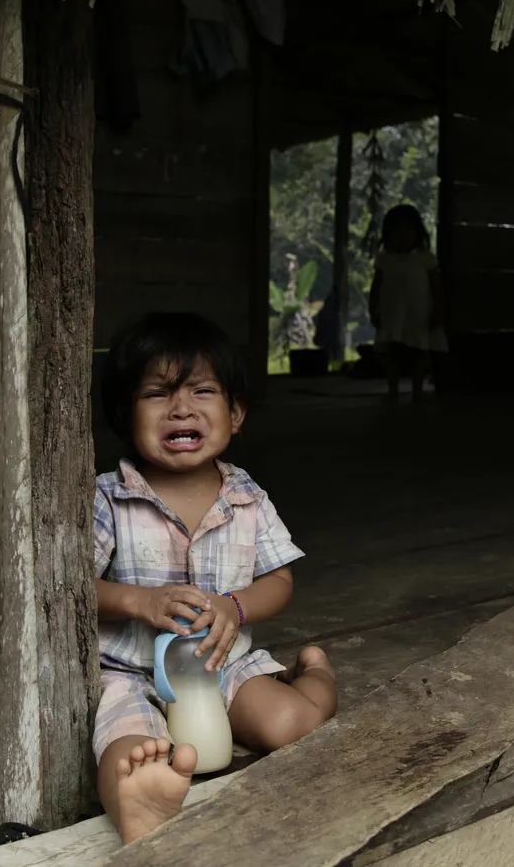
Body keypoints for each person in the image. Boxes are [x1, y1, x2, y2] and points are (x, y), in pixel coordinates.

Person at [93, 312, 338, 844]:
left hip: (220, 665)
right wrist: (138, 601)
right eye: (158, 394)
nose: (182, 407)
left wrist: (236, 607)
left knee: (291, 725)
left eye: (203, 390)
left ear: (236, 413)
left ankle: (316, 674)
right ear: (124, 414)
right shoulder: (108, 498)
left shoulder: (246, 496)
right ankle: (138, 806)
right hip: (129, 671)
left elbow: (280, 581)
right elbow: (69, 590)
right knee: (124, 745)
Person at [368, 205, 447, 399]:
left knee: (418, 353)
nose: (402, 236)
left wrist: (438, 310)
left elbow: (436, 288)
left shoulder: (425, 259)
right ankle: (393, 389)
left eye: (407, 230)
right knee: (393, 353)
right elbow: (376, 287)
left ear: (417, 233)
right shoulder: (385, 260)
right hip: (392, 314)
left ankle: (417, 390)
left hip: (418, 315)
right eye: (396, 231)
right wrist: (373, 310)